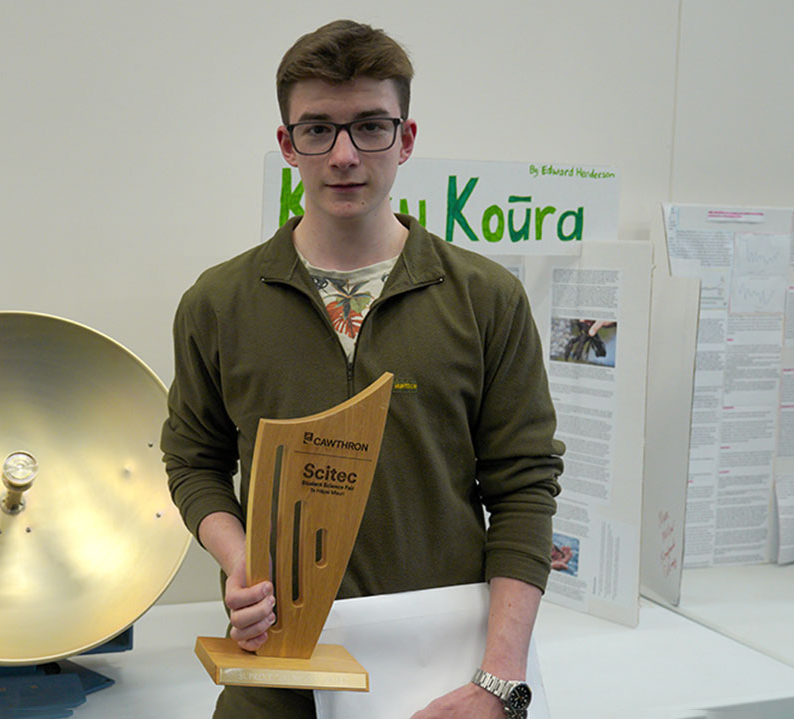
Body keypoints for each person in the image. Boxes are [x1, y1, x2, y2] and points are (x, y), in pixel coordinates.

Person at [161, 19, 564, 719]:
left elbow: (524, 486)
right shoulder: (219, 303)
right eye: (317, 130)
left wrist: (501, 681)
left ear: (406, 139)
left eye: (370, 127)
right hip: (275, 666)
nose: (344, 154)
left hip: (438, 671)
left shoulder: (484, 298)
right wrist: (239, 559)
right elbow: (193, 460)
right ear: (288, 145)